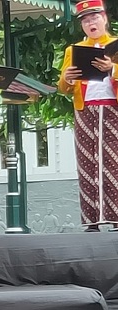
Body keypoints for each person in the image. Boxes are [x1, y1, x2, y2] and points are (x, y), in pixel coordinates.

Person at [58, 0, 118, 232]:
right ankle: (91, 220)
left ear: (105, 18)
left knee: (112, 163)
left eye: (94, 18)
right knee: (86, 163)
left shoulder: (115, 45)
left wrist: (111, 69)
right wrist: (68, 77)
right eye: (85, 20)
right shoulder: (73, 50)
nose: (90, 23)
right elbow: (63, 87)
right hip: (84, 109)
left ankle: (114, 218)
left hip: (111, 107)